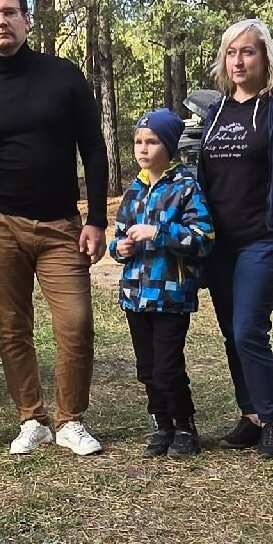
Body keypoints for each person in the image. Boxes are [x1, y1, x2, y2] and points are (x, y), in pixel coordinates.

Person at [0, 0, 111, 457]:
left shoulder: (63, 76)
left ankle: (70, 420)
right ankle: (31, 418)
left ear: (26, 19)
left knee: (76, 323)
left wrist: (96, 218)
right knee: (12, 326)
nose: (2, 21)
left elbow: (95, 151)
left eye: (10, 12)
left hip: (61, 225)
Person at [194, 17, 273, 460]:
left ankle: (271, 419)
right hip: (220, 242)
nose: (239, 59)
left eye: (248, 51)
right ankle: (249, 416)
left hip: (264, 239)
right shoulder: (216, 110)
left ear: (266, 57)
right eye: (231, 52)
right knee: (231, 332)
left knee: (249, 329)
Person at [110, 109, 217, 457]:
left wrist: (158, 233)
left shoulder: (186, 187)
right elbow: (117, 240)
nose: (143, 149)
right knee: (147, 369)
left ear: (168, 146)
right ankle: (162, 425)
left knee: (168, 366)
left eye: (152, 142)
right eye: (138, 141)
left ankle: (185, 426)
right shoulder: (134, 192)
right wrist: (120, 247)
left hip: (170, 294)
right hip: (135, 296)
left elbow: (203, 238)